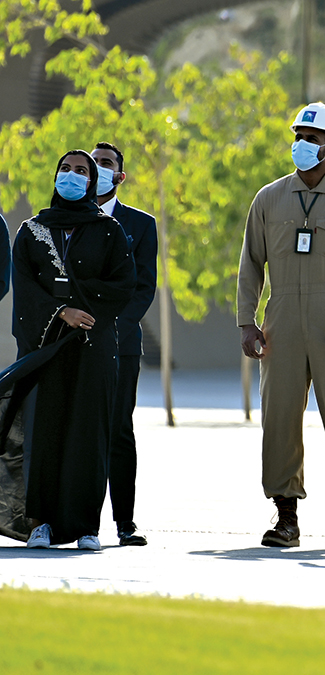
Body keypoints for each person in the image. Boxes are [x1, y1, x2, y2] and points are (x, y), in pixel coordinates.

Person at [237, 102, 325, 547]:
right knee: (279, 419)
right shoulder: (268, 198)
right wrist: (247, 321)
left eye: (313, 139)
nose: (303, 145)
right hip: (281, 323)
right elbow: (250, 265)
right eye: (298, 136)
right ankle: (286, 516)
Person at [13, 150, 136, 549]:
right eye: (64, 169)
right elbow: (25, 288)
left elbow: (123, 284)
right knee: (45, 429)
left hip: (93, 345)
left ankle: (86, 526)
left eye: (80, 171)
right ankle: (42, 524)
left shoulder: (109, 230)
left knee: (88, 431)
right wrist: (61, 310)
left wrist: (84, 308)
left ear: (91, 182)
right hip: (46, 347)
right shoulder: (30, 231)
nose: (71, 175)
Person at [92, 141, 158, 547]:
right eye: (92, 163)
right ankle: (74, 520)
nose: (98, 169)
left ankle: (124, 523)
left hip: (120, 344)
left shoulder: (141, 224)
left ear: (120, 174)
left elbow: (143, 287)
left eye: (106, 163)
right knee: (79, 431)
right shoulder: (66, 222)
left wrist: (111, 327)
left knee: (118, 431)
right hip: (71, 342)